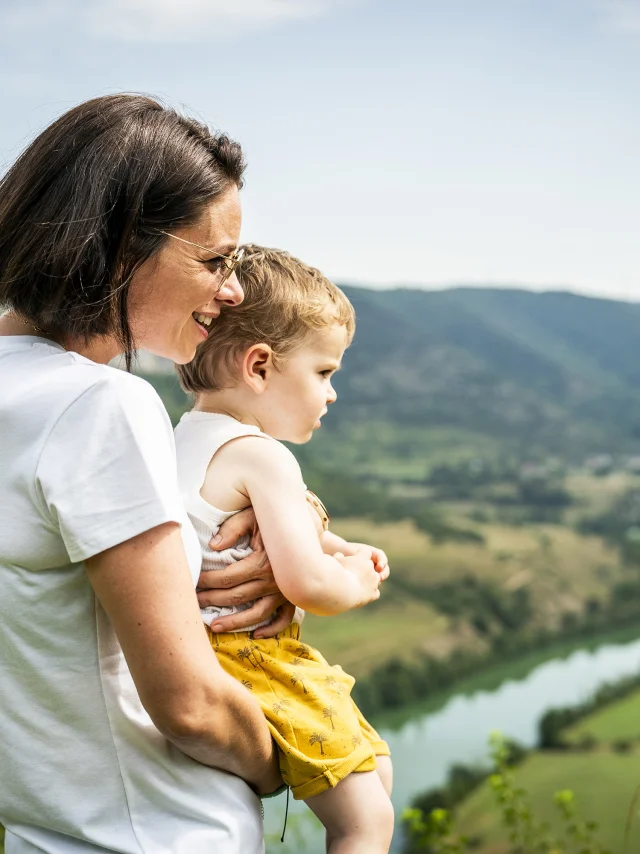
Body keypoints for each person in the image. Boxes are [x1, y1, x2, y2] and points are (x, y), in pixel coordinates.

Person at [0, 94, 295, 854]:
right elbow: (191, 706)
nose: (232, 291)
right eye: (213, 260)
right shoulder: (101, 402)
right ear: (122, 244)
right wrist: (285, 760)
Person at [175, 246, 395, 853]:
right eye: (324, 372)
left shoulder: (183, 439)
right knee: (365, 823)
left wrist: (341, 544)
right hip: (251, 664)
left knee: (376, 773)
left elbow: (265, 532)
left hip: (195, 655)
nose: (331, 394)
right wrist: (356, 581)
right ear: (261, 366)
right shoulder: (262, 454)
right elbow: (304, 583)